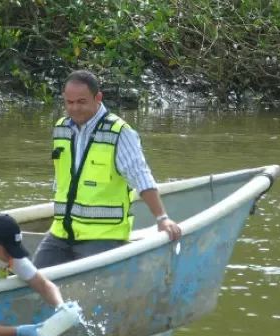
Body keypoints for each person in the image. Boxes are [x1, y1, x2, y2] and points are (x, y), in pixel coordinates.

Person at [32, 69, 182, 269]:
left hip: (102, 237)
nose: (74, 108)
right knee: (34, 281)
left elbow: (141, 177)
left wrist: (162, 219)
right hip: (61, 233)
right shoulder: (61, 128)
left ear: (98, 98)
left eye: (82, 102)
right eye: (69, 102)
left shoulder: (120, 132)